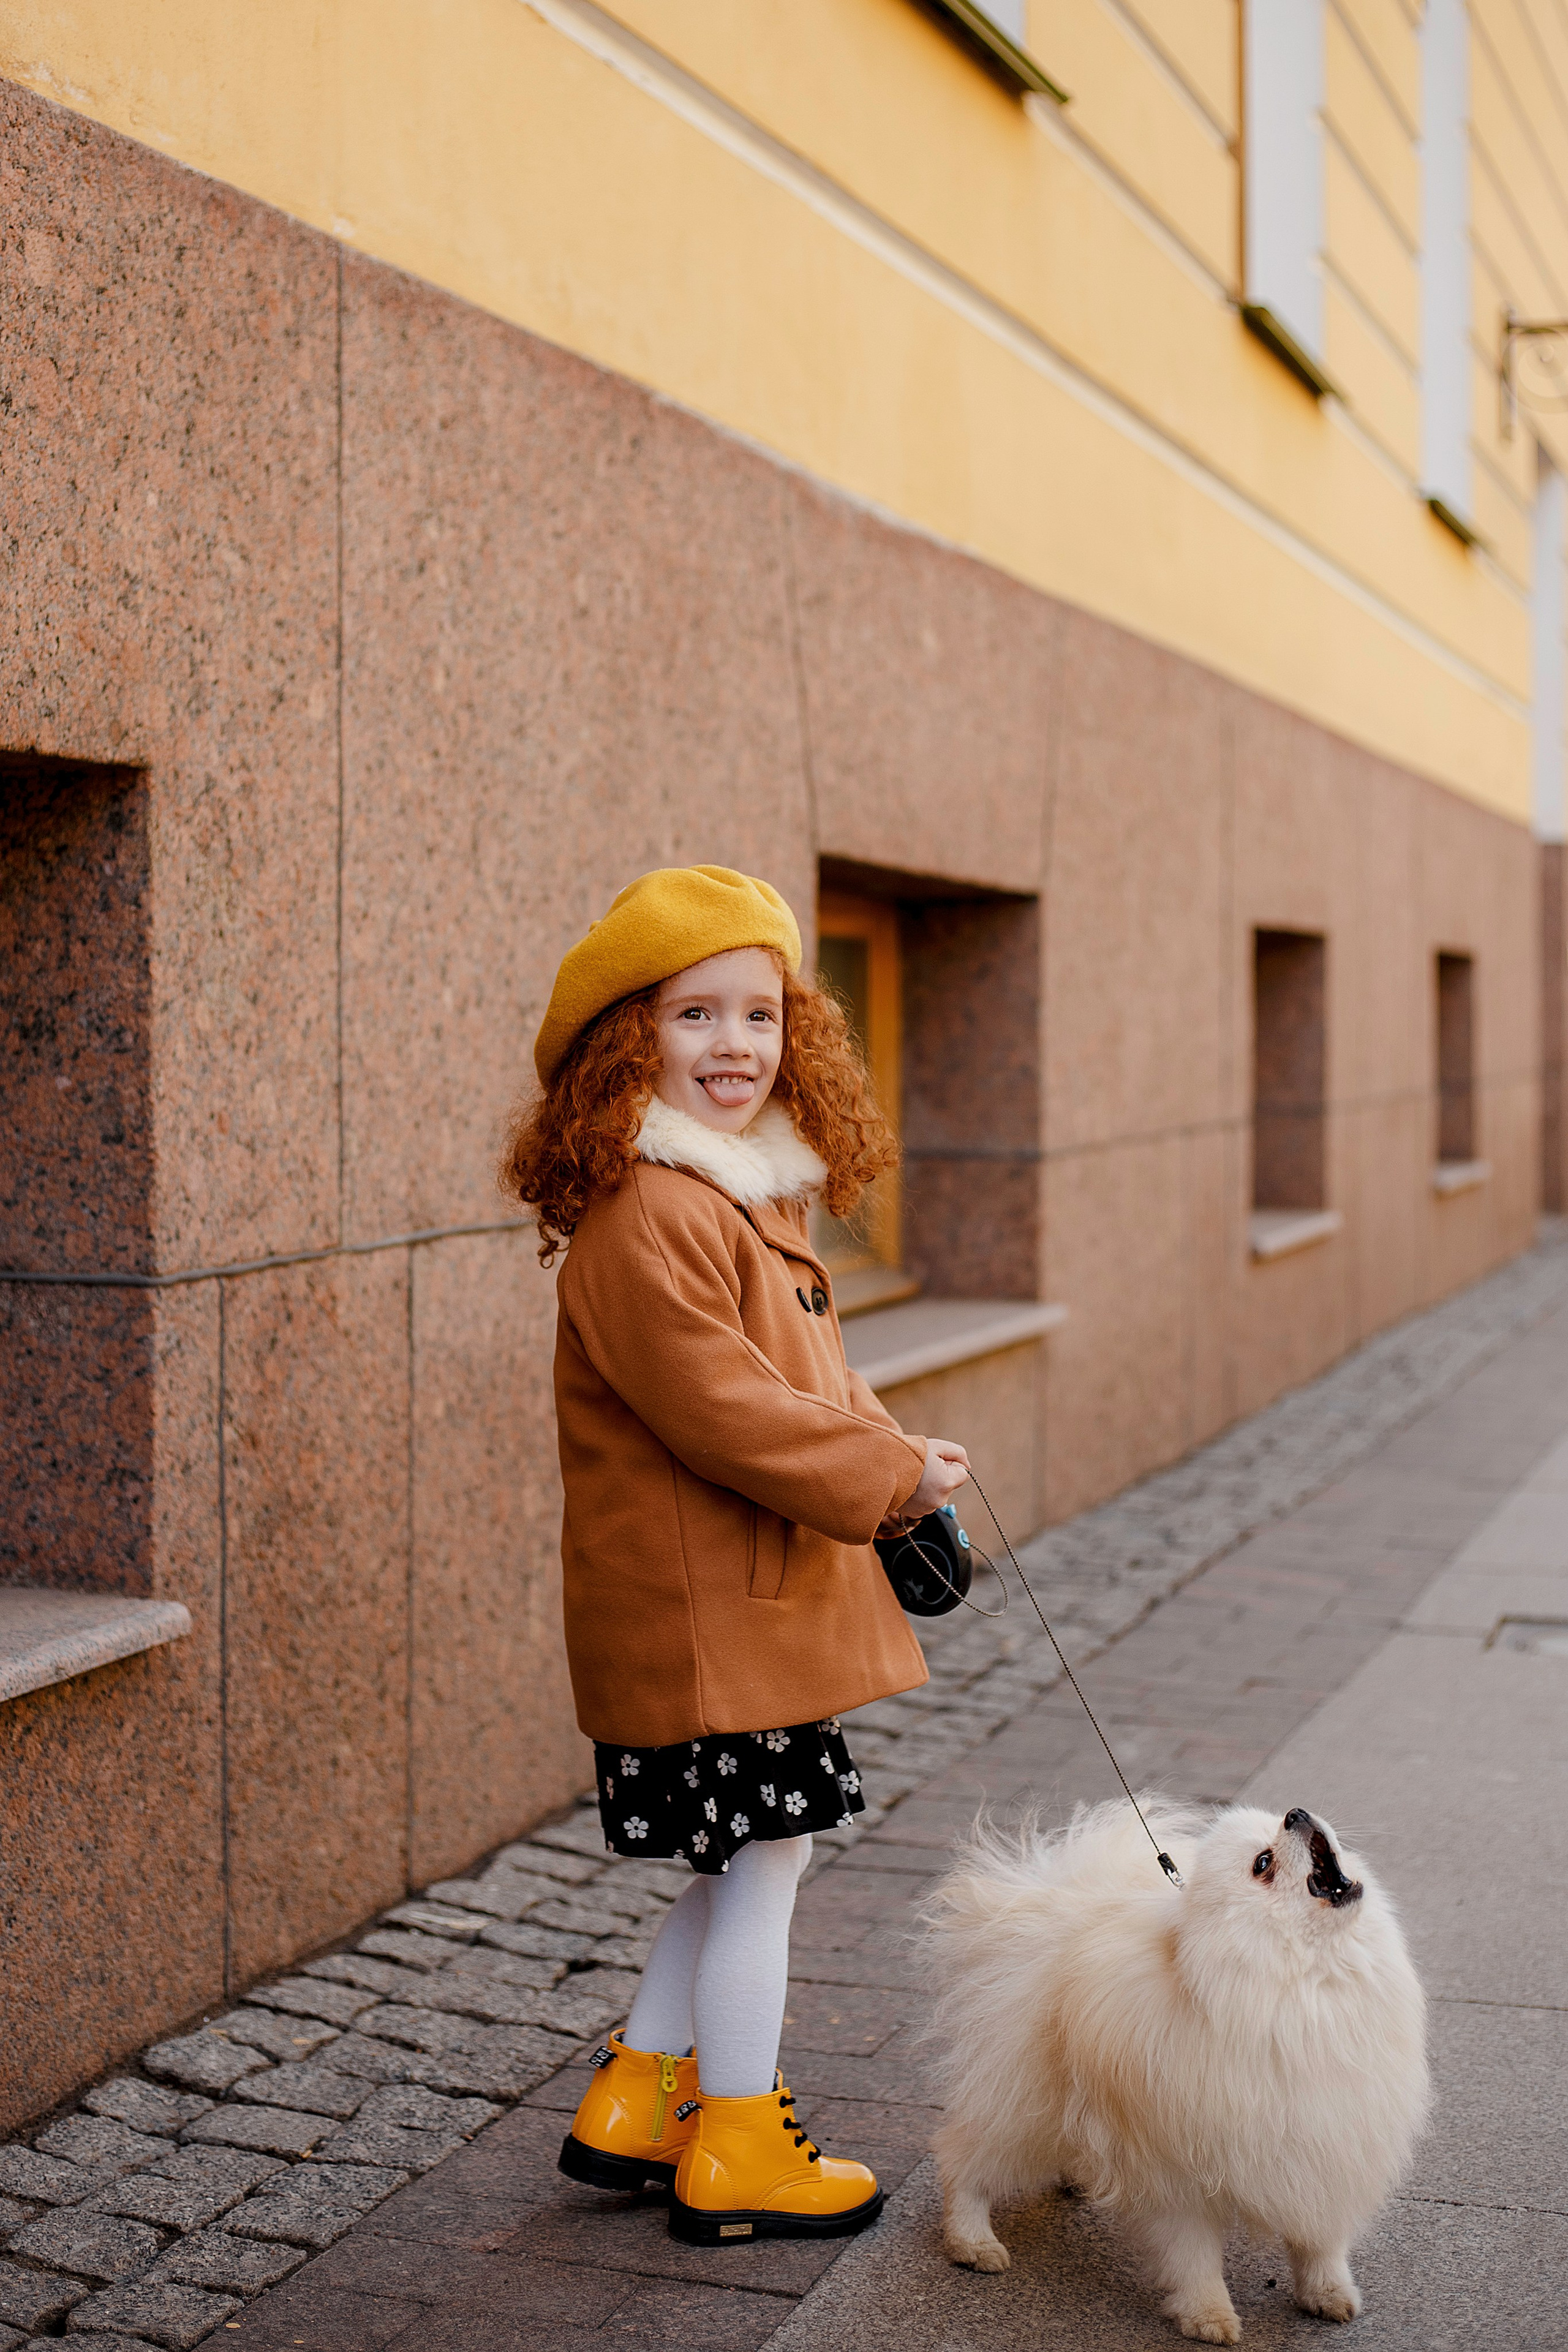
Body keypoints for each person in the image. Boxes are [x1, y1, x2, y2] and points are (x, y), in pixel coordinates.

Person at [501, 864, 970, 2247]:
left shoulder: (741, 1198)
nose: (733, 1047)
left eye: (757, 1016)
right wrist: (885, 1482)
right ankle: (740, 2144)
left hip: (745, 1609)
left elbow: (811, 1376)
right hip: (712, 1624)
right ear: (625, 1042)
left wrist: (899, 1462)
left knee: (737, 1864)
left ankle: (640, 2102)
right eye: (692, 1015)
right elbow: (727, 1411)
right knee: (765, 1864)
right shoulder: (649, 1211)